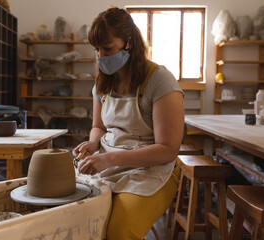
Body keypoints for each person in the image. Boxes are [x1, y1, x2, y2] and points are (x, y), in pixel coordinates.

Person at [72, 7, 185, 240]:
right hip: (108, 162)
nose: (101, 55)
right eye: (96, 49)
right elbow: (99, 127)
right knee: (72, 216)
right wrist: (93, 143)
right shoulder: (103, 84)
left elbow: (168, 149)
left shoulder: (159, 80)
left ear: (129, 43)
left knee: (119, 230)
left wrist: (109, 158)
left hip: (152, 171)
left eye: (108, 48)